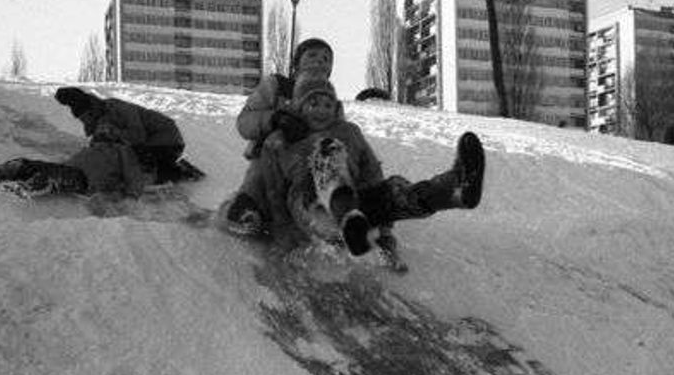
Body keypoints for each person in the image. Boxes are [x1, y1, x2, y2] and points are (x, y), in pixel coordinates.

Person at [258, 74, 484, 261]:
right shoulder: (281, 140)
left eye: (328, 104)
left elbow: (371, 173)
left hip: (357, 203)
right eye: (313, 103)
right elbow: (273, 190)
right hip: (310, 206)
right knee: (328, 151)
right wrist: (283, 235)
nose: (321, 110)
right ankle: (346, 216)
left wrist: (385, 234)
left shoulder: (349, 131)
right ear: (298, 107)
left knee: (393, 189)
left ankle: (453, 190)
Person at [222, 37, 335, 233]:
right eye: (312, 55)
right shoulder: (277, 86)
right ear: (297, 63)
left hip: (307, 163)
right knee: (261, 174)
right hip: (270, 158)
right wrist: (274, 119)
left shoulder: (329, 99)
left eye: (326, 59)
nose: (319, 61)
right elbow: (245, 122)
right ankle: (247, 206)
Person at [54, 86, 200, 184]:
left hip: (167, 139)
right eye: (82, 119)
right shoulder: (98, 120)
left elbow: (138, 136)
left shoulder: (117, 108)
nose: (85, 121)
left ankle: (181, 172)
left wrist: (115, 134)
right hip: (150, 143)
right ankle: (166, 167)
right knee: (121, 158)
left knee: (137, 165)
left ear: (93, 109)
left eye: (86, 116)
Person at [0, 134, 146, 198]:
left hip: (83, 180)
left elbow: (134, 177)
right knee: (22, 164)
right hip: (68, 170)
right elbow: (67, 163)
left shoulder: (122, 151)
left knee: (46, 175)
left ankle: (31, 187)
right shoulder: (88, 150)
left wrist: (131, 195)